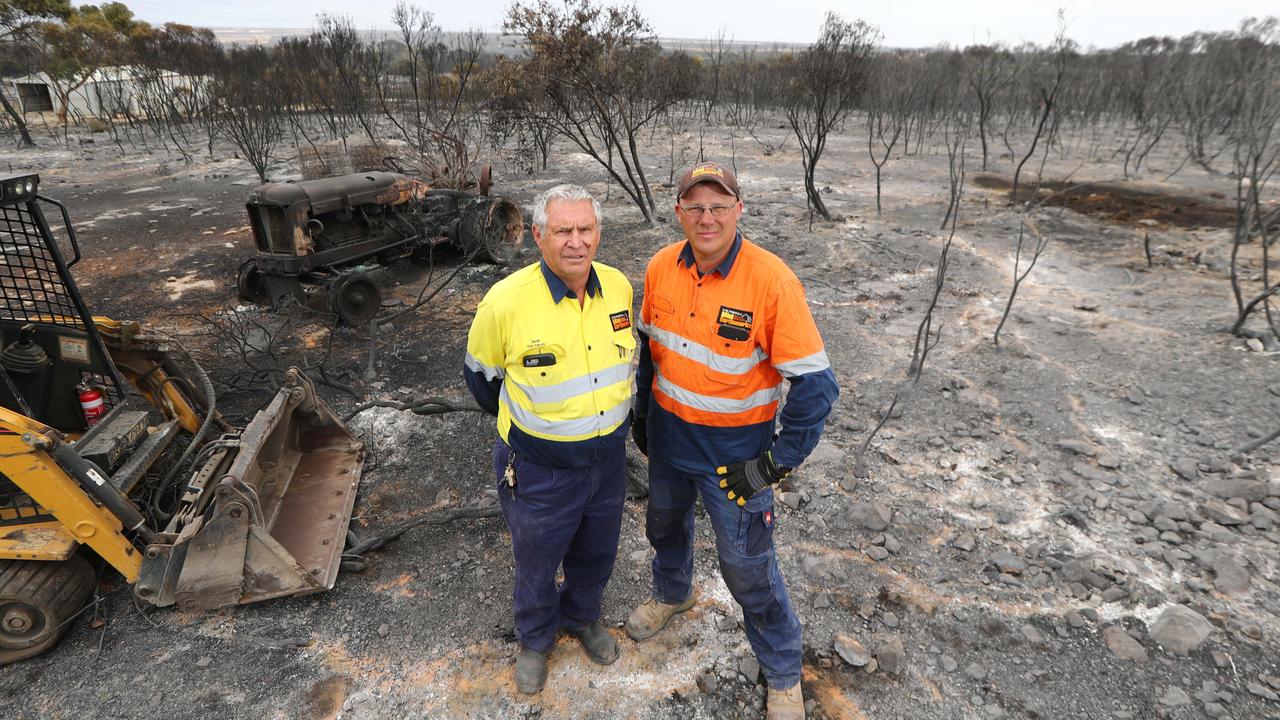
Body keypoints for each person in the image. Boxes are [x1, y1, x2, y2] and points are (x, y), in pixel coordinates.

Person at [628, 161, 839, 720]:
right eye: (695, 206)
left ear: (739, 209)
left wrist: (775, 463)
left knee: (747, 567)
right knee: (663, 528)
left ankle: (783, 671)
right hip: (671, 444)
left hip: (736, 460)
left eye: (719, 206)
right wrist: (643, 418)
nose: (707, 217)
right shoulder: (658, 268)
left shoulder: (771, 281)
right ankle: (674, 594)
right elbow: (652, 355)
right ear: (678, 212)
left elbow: (817, 387)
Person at [463, 184, 635, 694]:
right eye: (562, 231)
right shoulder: (505, 301)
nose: (575, 242)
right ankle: (536, 638)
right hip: (538, 469)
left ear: (598, 233)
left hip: (607, 463)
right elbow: (481, 379)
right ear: (539, 236)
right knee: (536, 561)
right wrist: (540, 435)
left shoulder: (620, 288)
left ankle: (582, 617)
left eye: (585, 229)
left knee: (597, 552)